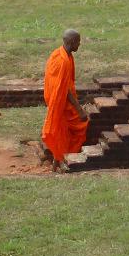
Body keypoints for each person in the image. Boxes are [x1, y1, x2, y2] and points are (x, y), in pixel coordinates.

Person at [41, 29, 89, 171]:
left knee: (62, 132)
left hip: (62, 101)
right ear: (72, 42)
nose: (79, 44)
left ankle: (57, 163)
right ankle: (63, 160)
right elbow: (63, 90)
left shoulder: (62, 54)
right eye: (78, 41)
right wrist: (79, 109)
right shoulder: (61, 60)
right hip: (61, 102)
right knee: (78, 126)